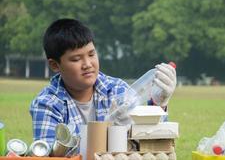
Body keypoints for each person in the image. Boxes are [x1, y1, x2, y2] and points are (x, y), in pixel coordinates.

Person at [30, 18, 177, 145]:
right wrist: (108, 130)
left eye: (91, 54)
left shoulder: (117, 90)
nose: (87, 64)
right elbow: (50, 158)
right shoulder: (47, 104)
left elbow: (151, 145)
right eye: (76, 59)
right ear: (55, 65)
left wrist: (159, 105)